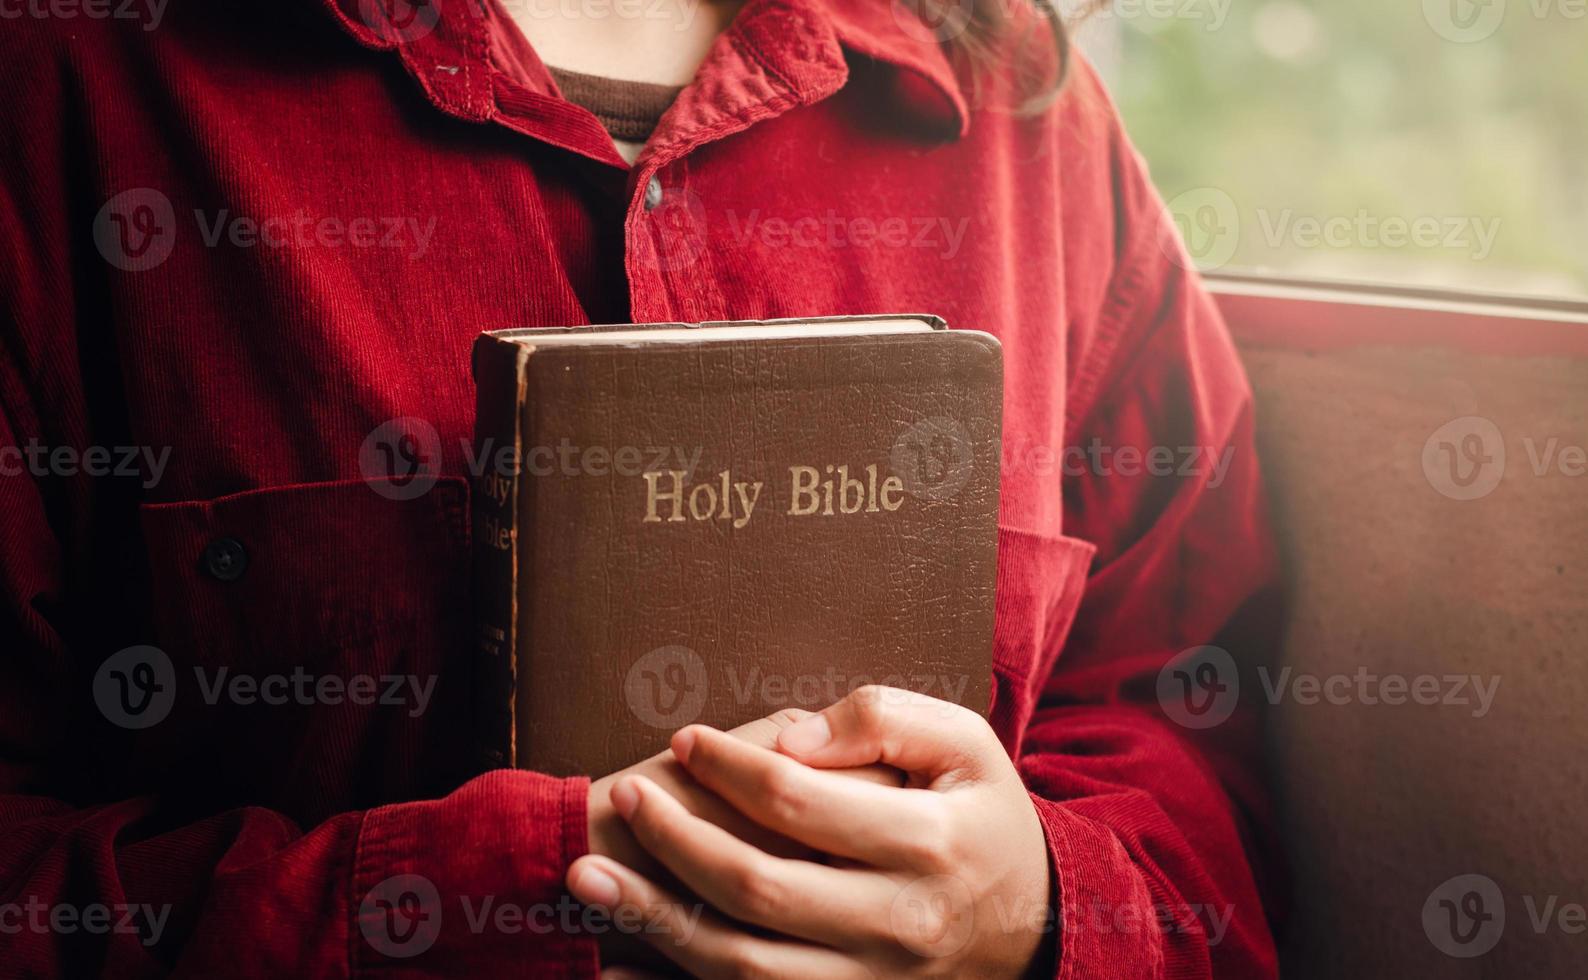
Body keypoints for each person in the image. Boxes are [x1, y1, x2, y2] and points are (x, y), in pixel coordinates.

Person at [0, 0, 1282, 975]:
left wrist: (1042, 904)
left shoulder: (1022, 114)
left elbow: (1189, 716)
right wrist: (457, 900)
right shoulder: (66, 78)